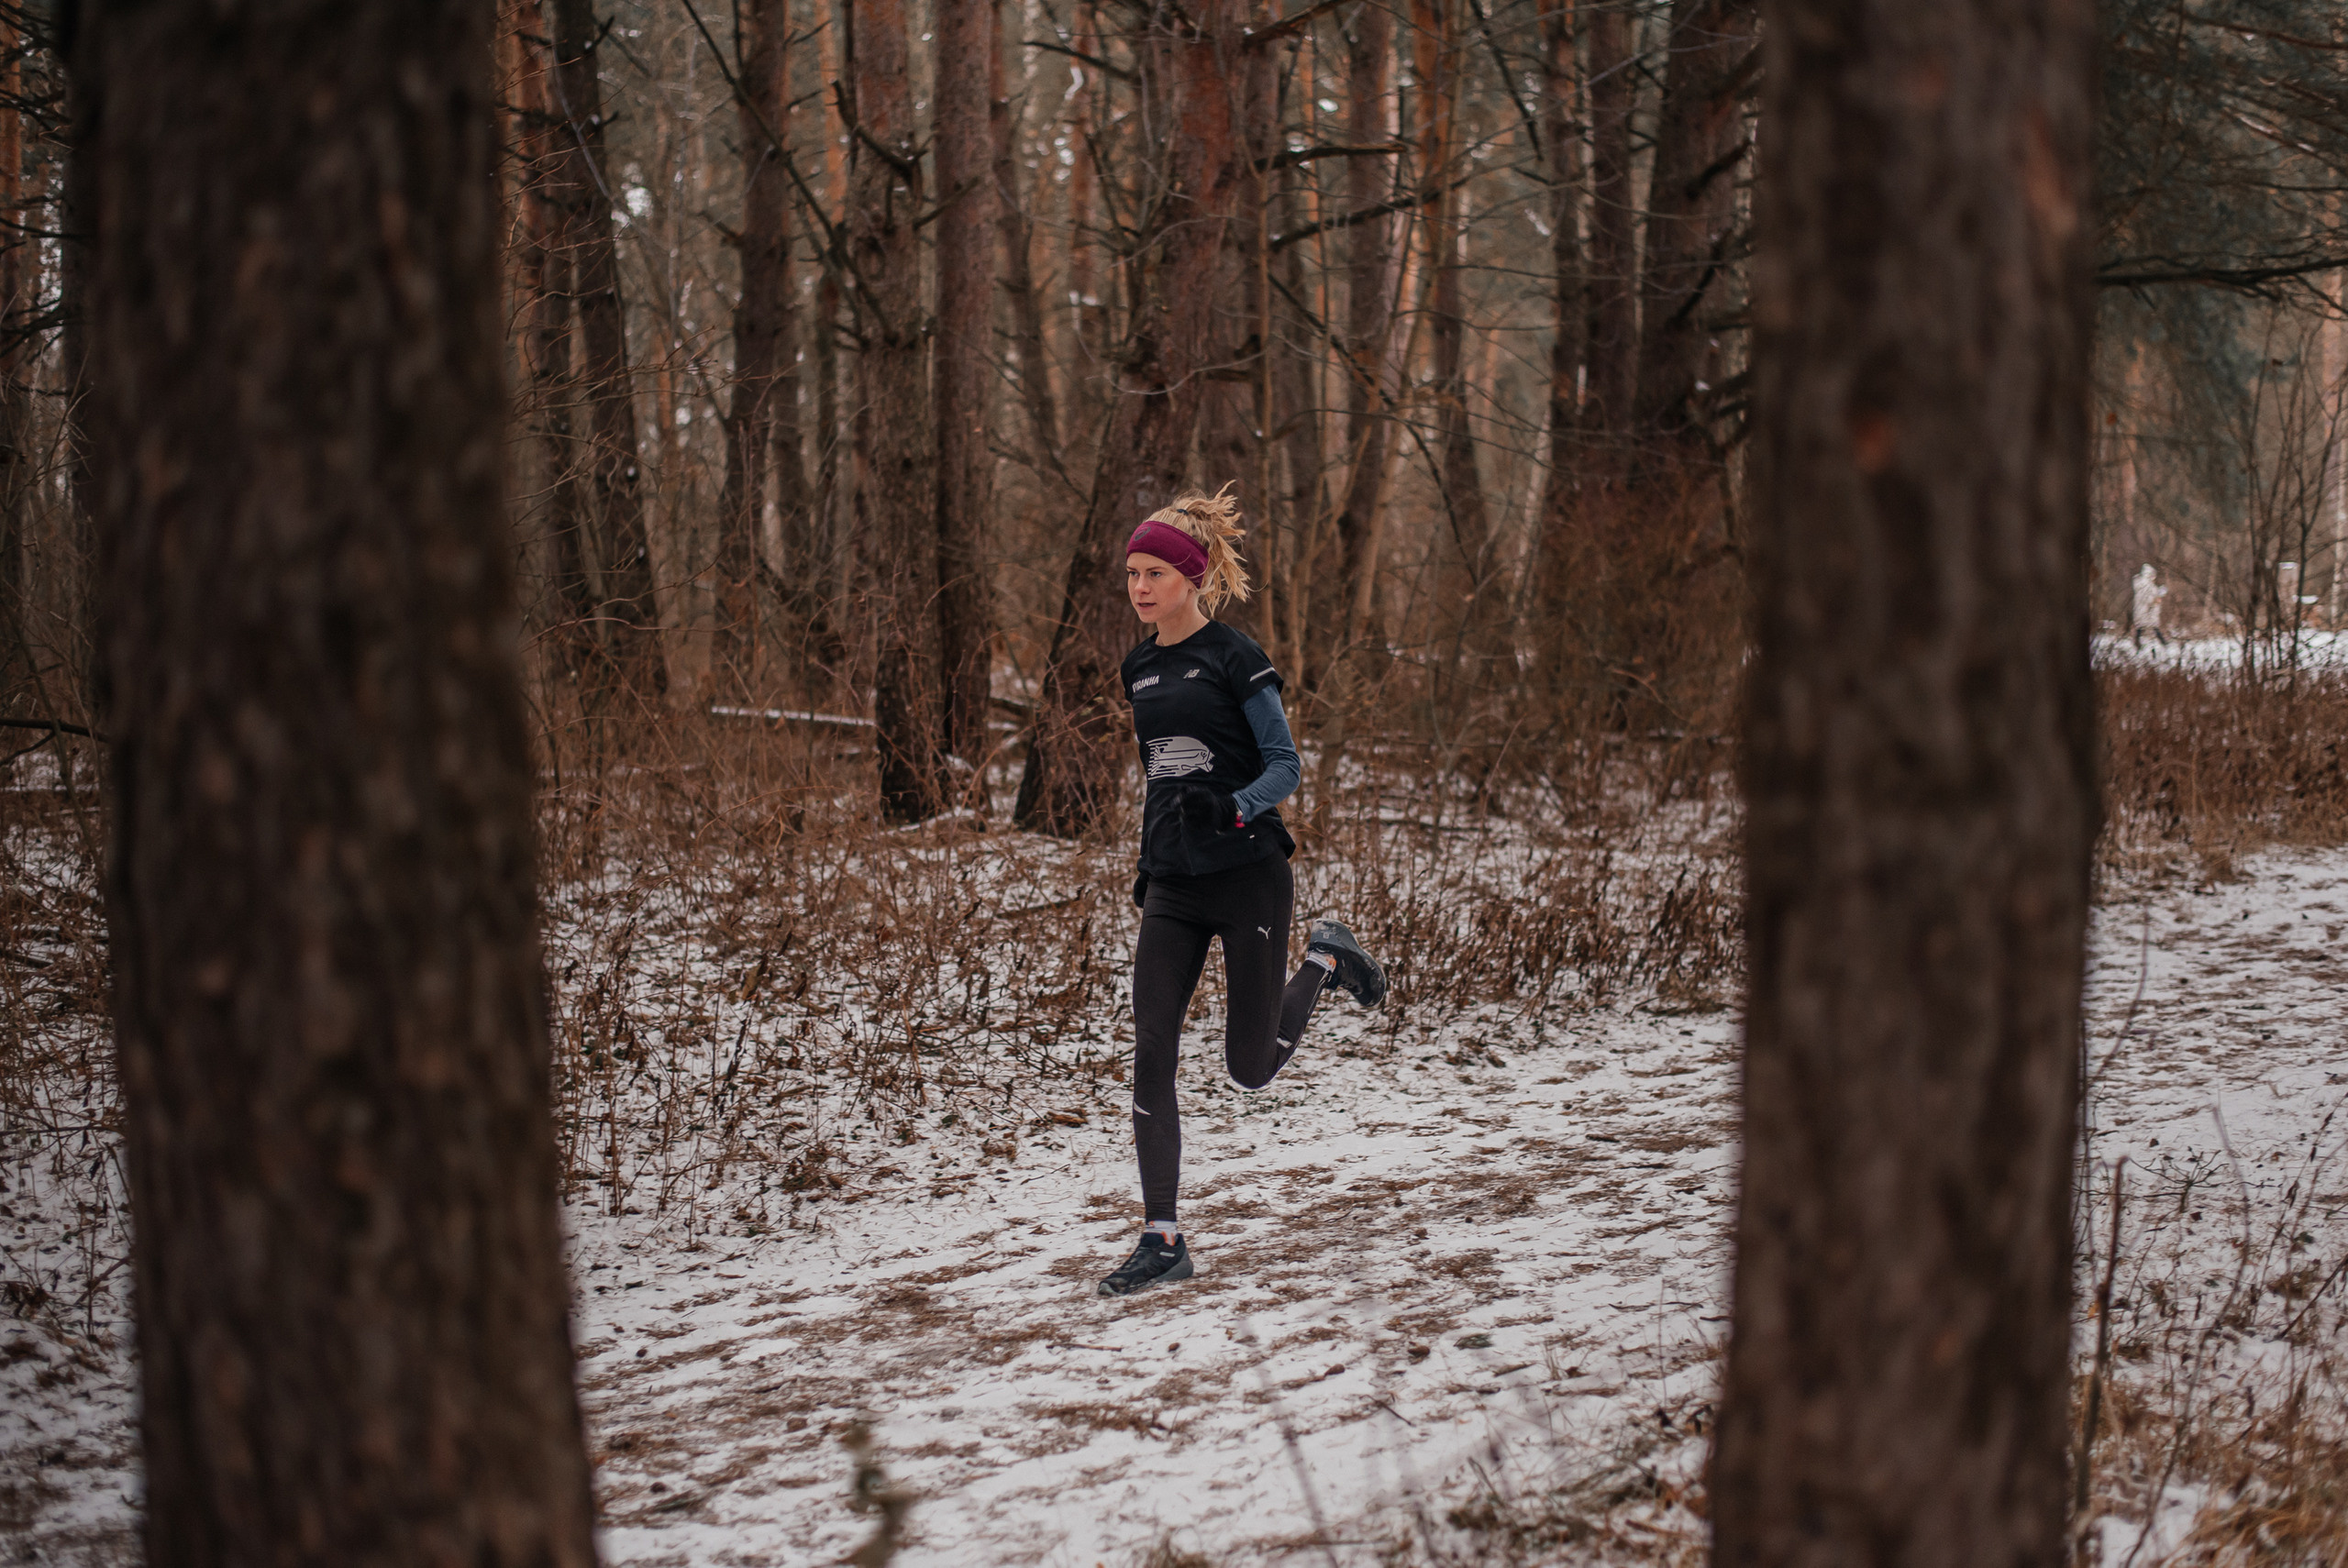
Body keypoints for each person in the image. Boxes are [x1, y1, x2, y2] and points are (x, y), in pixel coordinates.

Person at [1097, 487, 1386, 1298]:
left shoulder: (1235, 658)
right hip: (1173, 886)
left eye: (1155, 572)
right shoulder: (1139, 668)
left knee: (1250, 1068)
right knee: (1150, 1045)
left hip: (1249, 878)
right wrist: (1153, 860)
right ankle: (1162, 1235)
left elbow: (1285, 766)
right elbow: (1161, 776)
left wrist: (1231, 807)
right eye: (1132, 573)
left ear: (1191, 579)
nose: (1141, 587)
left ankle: (1326, 959)